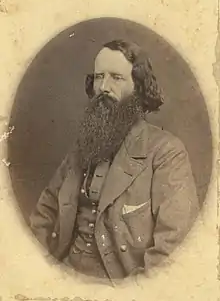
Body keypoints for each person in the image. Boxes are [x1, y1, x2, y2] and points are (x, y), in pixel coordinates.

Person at [30, 39, 199, 283]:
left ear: (138, 87)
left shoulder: (166, 153)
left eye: (116, 78)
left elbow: (172, 251)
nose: (104, 87)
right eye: (99, 77)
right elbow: (45, 213)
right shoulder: (82, 148)